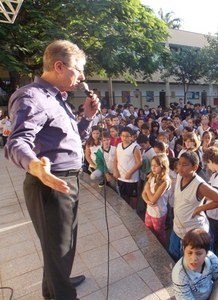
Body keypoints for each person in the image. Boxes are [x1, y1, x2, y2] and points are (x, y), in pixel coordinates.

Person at [4, 40, 100, 300]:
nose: (82, 77)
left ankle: (54, 286)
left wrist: (88, 118)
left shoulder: (59, 100)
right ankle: (63, 292)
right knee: (59, 249)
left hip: (65, 182)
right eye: (78, 70)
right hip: (49, 183)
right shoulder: (32, 96)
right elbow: (17, 141)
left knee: (62, 246)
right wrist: (35, 166)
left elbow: (70, 141)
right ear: (59, 66)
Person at [169, 151, 218, 261]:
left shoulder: (200, 185)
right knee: (176, 259)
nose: (180, 167)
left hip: (193, 233)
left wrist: (200, 208)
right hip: (177, 229)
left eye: (185, 165)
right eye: (179, 163)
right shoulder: (180, 176)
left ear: (195, 167)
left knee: (196, 263)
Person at [172, 228, 218, 300]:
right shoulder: (180, 276)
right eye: (189, 253)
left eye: (199, 253)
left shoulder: (211, 259)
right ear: (183, 250)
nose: (194, 258)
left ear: (207, 253)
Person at [142, 154, 171, 245]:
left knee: (159, 233)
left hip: (158, 213)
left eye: (156, 166)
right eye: (152, 165)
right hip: (149, 210)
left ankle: (162, 251)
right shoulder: (152, 176)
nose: (153, 168)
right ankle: (152, 246)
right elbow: (143, 194)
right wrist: (147, 201)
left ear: (163, 166)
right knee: (148, 231)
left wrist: (147, 190)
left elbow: (153, 199)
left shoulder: (165, 181)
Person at [113, 127, 142, 207]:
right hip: (121, 176)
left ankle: (134, 210)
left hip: (131, 178)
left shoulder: (135, 147)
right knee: (123, 195)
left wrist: (130, 173)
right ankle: (125, 208)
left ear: (131, 137)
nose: (125, 138)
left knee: (133, 196)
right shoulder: (118, 145)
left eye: (127, 136)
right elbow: (115, 159)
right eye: (123, 136)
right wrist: (115, 170)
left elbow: (139, 163)